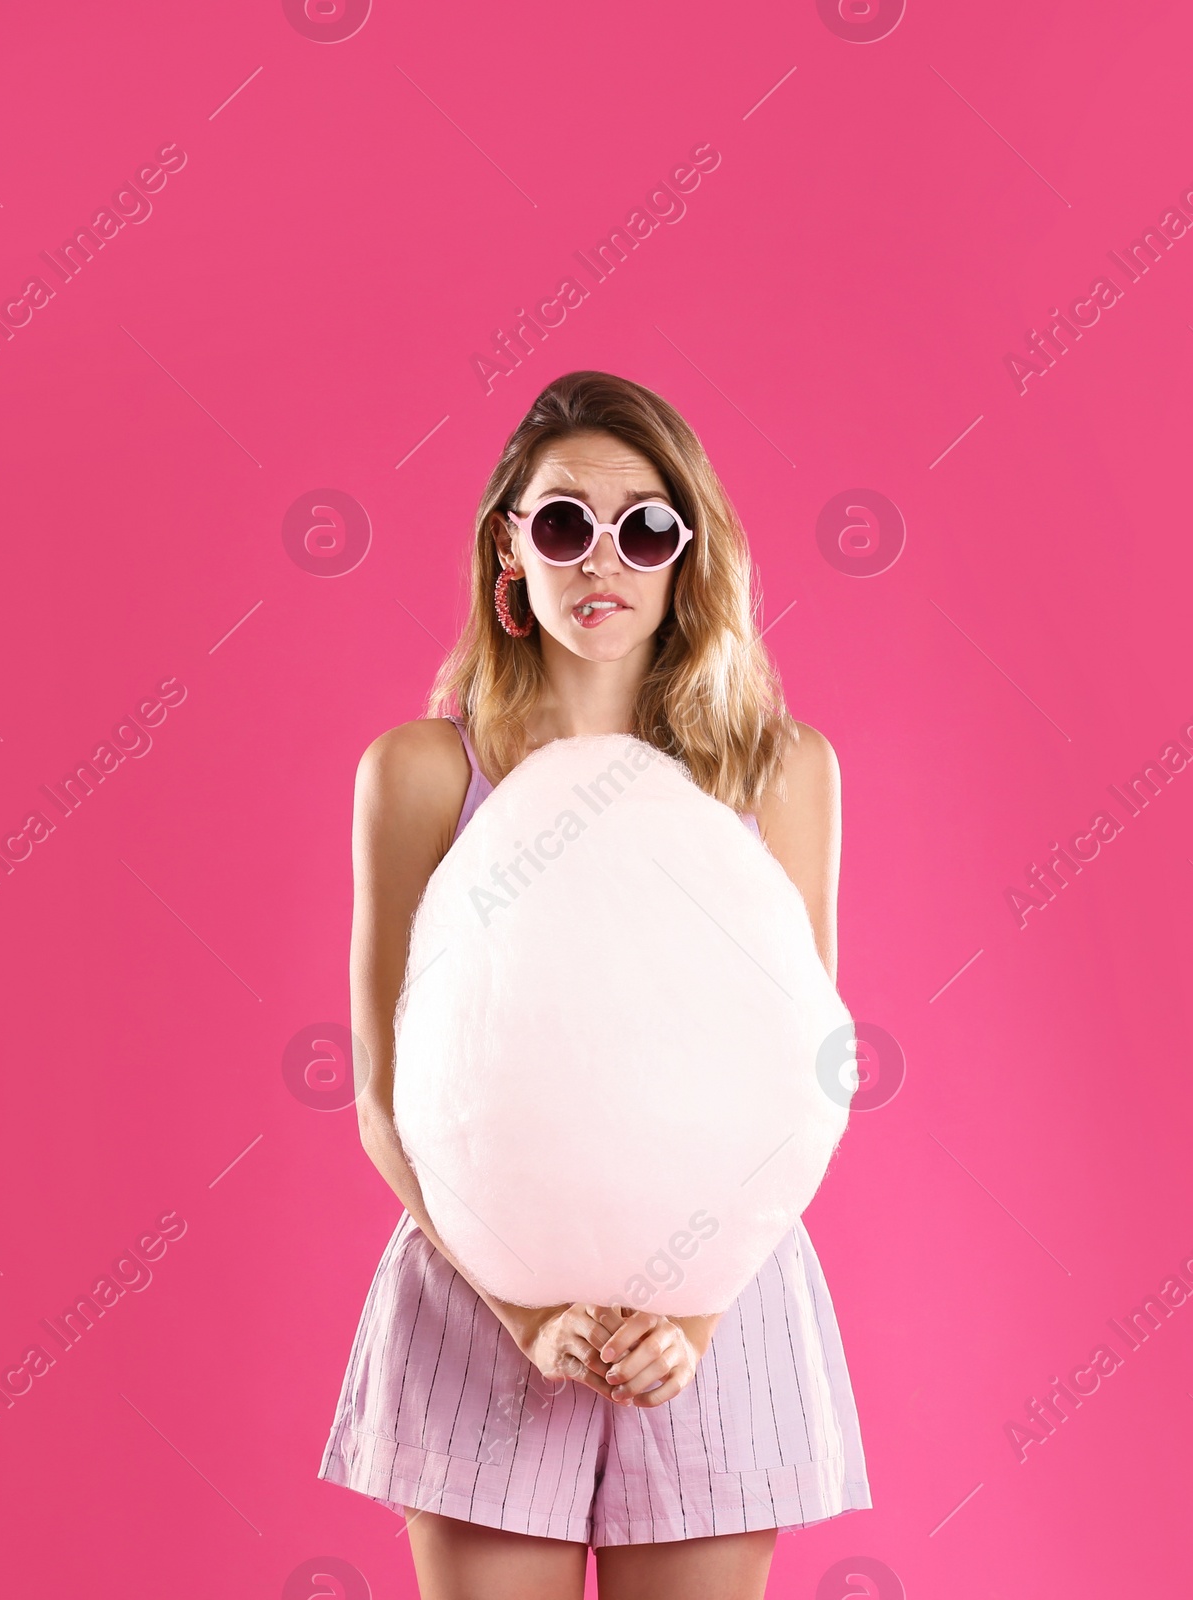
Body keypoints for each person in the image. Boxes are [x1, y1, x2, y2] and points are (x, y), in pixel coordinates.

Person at [319, 370, 871, 1599]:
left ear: (689, 552)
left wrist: (698, 1324)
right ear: (508, 547)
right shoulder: (418, 773)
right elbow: (383, 1094)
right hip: (478, 1299)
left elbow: (799, 1081)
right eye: (563, 520)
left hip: (716, 1310)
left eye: (646, 525)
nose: (601, 558)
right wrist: (523, 1314)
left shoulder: (781, 773)